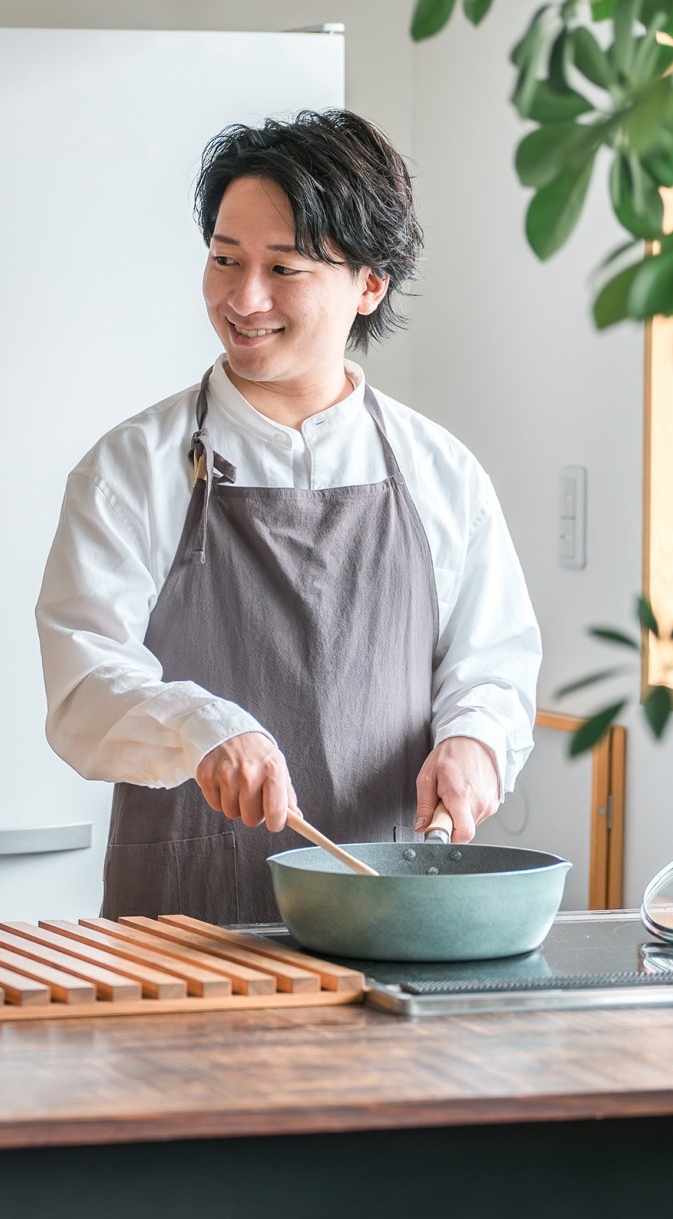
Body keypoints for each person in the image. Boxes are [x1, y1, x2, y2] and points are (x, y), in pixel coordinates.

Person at [36, 110, 539, 925]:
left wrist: (474, 744)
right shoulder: (131, 468)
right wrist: (202, 727)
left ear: (370, 283)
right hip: (184, 927)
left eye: (284, 268)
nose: (245, 298)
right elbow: (84, 689)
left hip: (389, 912)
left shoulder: (441, 473)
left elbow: (493, 668)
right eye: (225, 261)